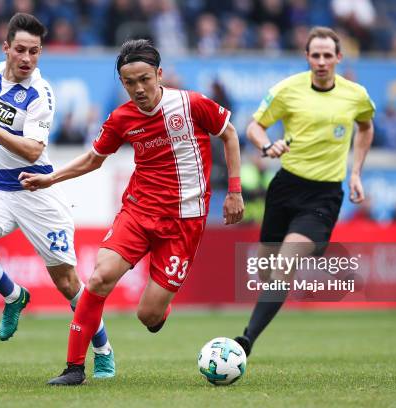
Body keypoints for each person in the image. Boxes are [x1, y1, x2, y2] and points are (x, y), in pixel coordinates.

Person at [19, 39, 244, 385]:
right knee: (98, 278)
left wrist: (234, 191)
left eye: (144, 80)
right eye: (129, 83)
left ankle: (158, 310)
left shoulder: (191, 104)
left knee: (148, 315)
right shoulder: (121, 119)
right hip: (138, 212)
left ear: (159, 74)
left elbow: (228, 134)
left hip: (185, 222)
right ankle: (75, 368)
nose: (138, 89)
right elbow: (94, 159)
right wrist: (51, 178)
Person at [0, 12, 115, 378]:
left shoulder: (40, 94)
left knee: (68, 284)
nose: (27, 59)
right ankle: (14, 296)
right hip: (0, 190)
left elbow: (31, 150)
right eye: (21, 50)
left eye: (35, 52)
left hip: (36, 191)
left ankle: (103, 349)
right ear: (6, 48)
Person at [234, 26, 375, 356]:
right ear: (307, 57)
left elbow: (366, 126)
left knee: (286, 262)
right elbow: (255, 126)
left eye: (328, 55)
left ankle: (246, 340)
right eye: (316, 55)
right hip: (285, 187)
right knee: (266, 269)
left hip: (323, 194)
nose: (322, 61)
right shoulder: (287, 90)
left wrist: (355, 172)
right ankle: (259, 319)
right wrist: (268, 145)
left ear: (339, 58)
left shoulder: (356, 95)